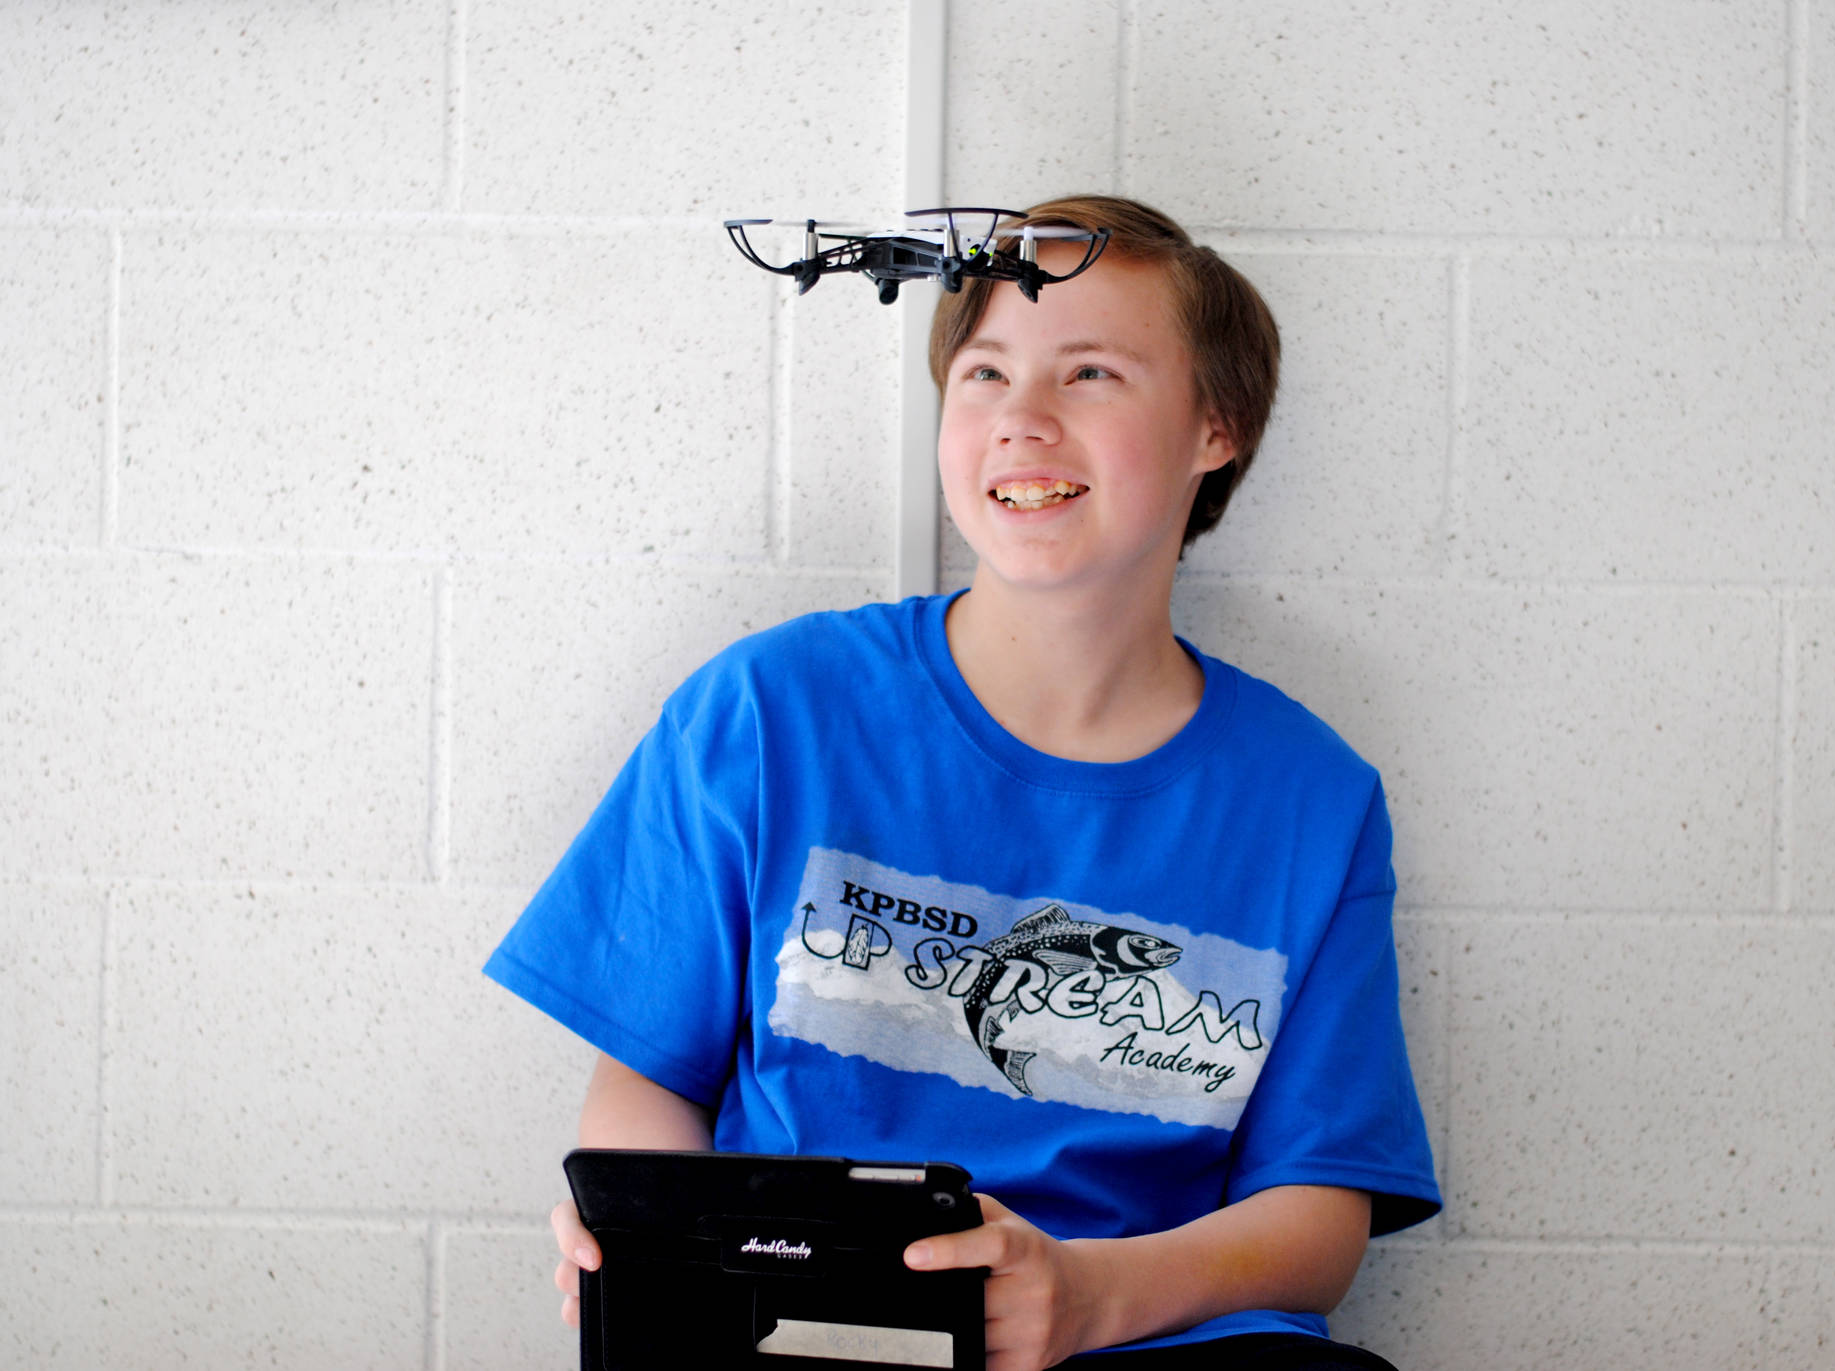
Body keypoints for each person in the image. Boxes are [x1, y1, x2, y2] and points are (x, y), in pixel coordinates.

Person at [484, 194, 1440, 1371]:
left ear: (1214, 428)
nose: (1020, 421)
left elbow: (1317, 1222)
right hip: (804, 1333)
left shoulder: (1312, 801)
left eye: (1088, 374)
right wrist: (653, 1243)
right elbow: (645, 1088)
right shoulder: (769, 712)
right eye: (984, 373)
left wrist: (1089, 1296)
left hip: (1153, 1342)